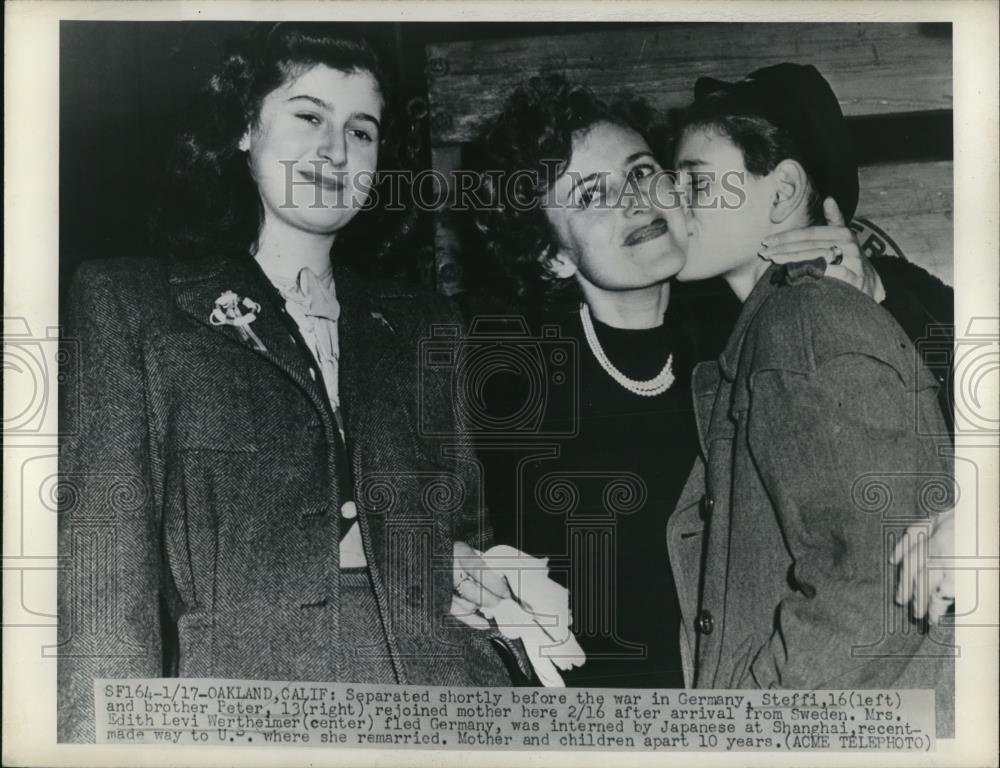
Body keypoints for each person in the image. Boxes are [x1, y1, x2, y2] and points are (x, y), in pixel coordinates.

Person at [57, 23, 513, 743]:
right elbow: (102, 581)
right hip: (244, 710)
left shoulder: (426, 321)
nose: (337, 150)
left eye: (362, 131)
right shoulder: (130, 304)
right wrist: (98, 747)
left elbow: (464, 532)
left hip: (445, 705)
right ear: (244, 128)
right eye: (310, 117)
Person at [455, 72, 894, 688]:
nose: (634, 202)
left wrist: (877, 297)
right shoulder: (504, 374)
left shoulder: (749, 328)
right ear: (550, 254)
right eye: (588, 197)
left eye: (640, 172)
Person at [668, 63, 954, 732]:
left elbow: (867, 586)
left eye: (696, 182)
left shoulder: (801, 324)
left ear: (782, 192)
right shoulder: (767, 331)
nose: (669, 201)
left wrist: (749, 728)